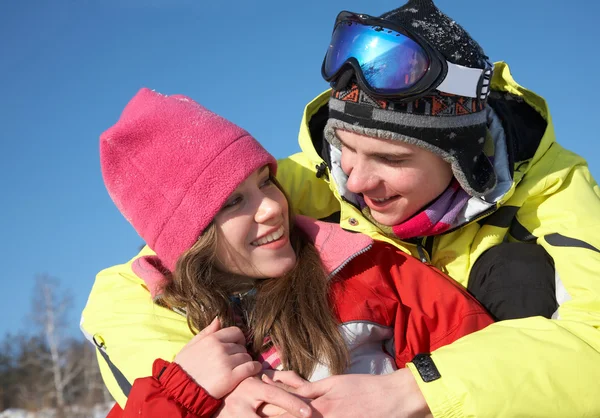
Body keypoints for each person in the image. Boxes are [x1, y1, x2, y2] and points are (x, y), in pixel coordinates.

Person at [81, 0, 600, 416]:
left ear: (461, 156)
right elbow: (135, 283)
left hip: (469, 373)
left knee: (518, 274)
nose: (355, 178)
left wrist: (416, 392)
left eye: (390, 158)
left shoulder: (551, 190)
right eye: (345, 148)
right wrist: (205, 391)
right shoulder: (299, 186)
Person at [95, 88, 492, 417]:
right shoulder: (171, 343)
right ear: (189, 240)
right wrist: (184, 394)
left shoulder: (371, 271)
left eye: (265, 181)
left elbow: (489, 372)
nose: (272, 207)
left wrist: (405, 394)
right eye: (233, 202)